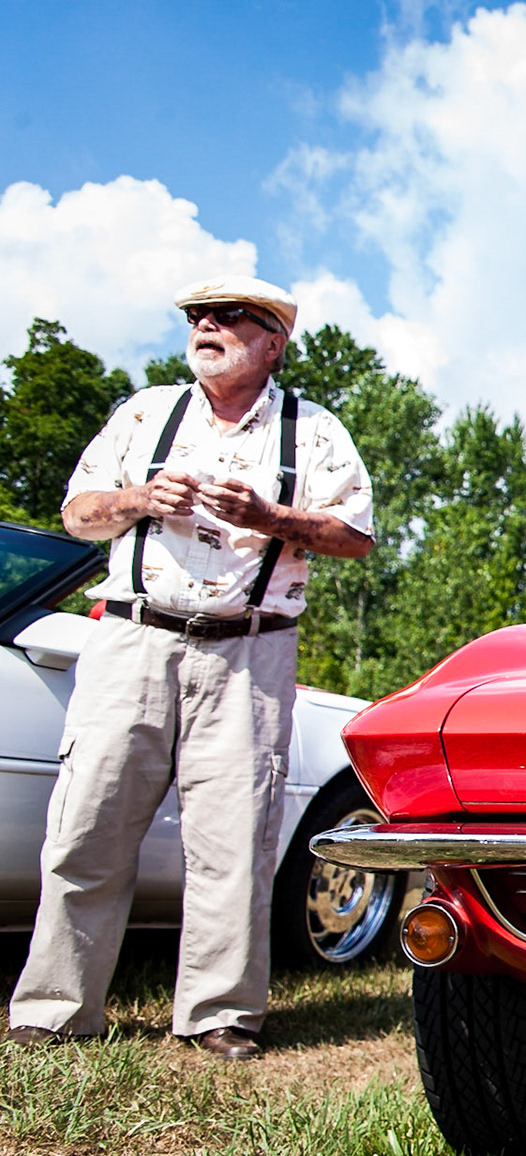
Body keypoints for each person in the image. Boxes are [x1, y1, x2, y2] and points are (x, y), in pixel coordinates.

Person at [6, 277, 375, 1060]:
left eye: (227, 318)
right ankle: (55, 1006)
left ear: (272, 341)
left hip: (250, 646)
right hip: (134, 639)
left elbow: (354, 536)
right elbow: (76, 514)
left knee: (234, 839)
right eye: (196, 317)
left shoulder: (312, 434)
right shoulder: (144, 414)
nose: (206, 326)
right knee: (88, 824)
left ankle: (219, 1016)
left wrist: (270, 517)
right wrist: (139, 497)